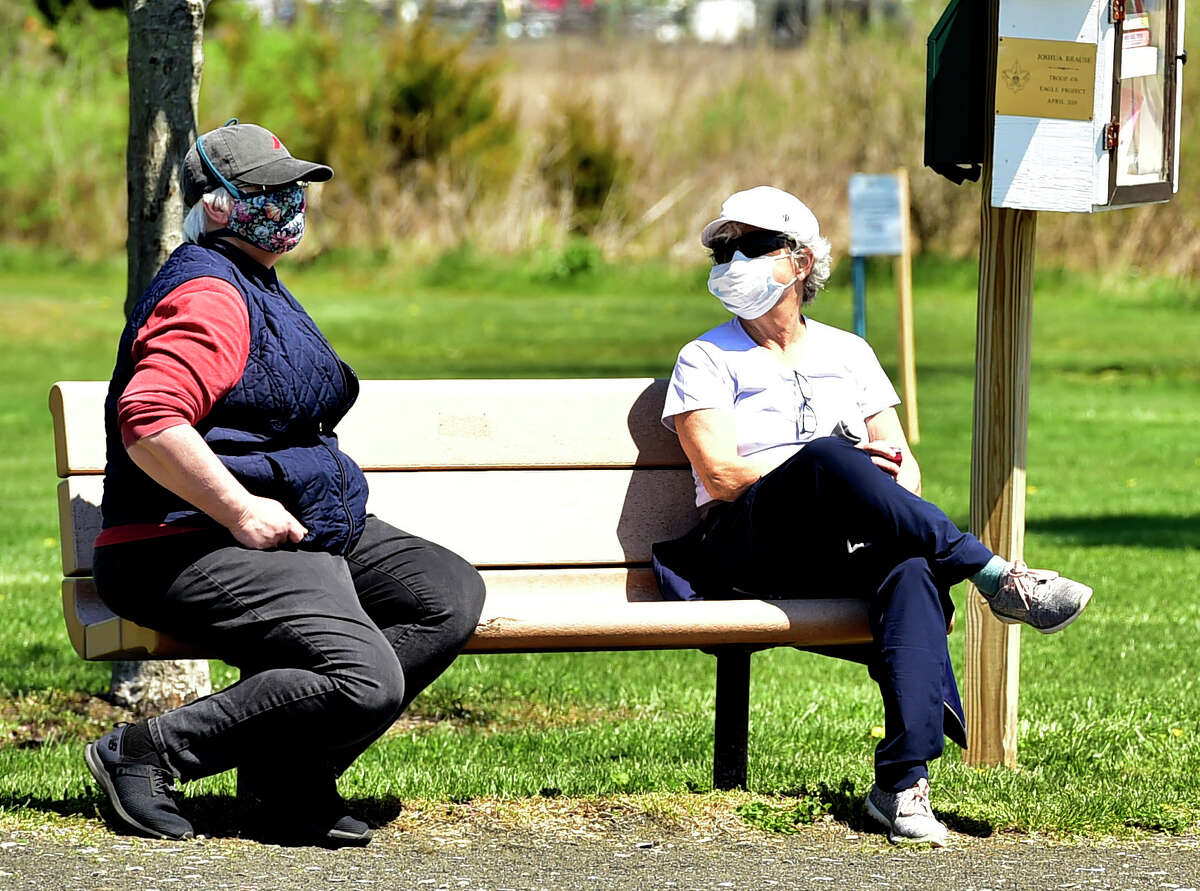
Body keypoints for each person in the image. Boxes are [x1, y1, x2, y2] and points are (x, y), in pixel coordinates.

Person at [83, 120, 485, 846]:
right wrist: (238, 508)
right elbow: (150, 418)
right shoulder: (209, 291)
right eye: (268, 191)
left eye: (294, 187)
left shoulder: (257, 280)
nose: (290, 202)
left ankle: (289, 771)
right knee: (365, 679)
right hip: (179, 540)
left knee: (444, 594)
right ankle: (144, 752)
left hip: (294, 521)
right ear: (215, 205)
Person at [656, 186, 1093, 847]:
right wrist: (829, 472)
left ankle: (901, 783)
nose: (729, 261)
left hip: (839, 545)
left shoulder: (849, 353)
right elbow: (719, 473)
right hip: (743, 544)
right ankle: (995, 574)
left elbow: (907, 472)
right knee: (831, 458)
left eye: (748, 246)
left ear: (799, 261)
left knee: (912, 567)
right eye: (722, 250)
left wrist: (865, 481)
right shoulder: (706, 357)